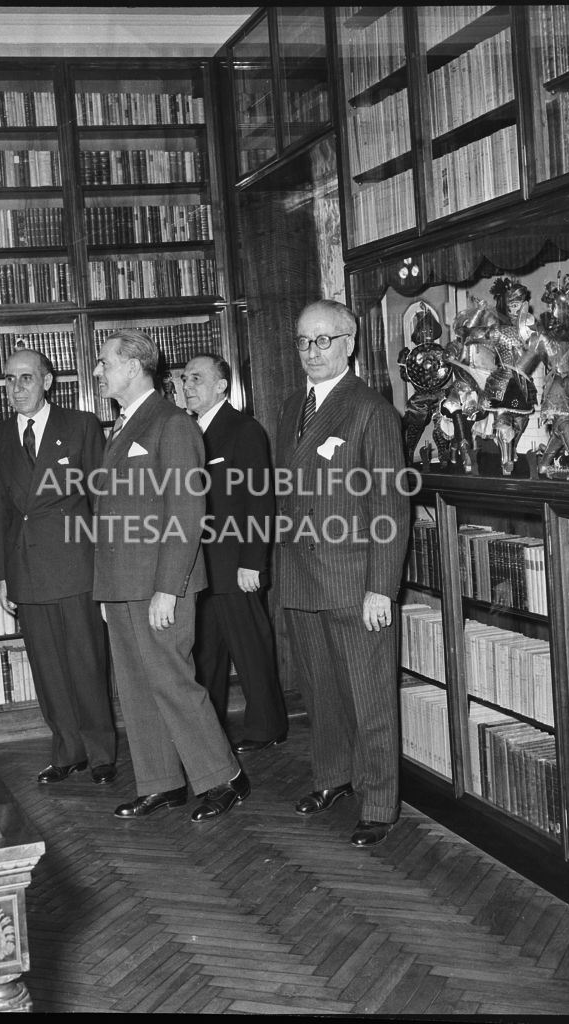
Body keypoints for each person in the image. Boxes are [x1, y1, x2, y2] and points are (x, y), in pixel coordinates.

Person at [91, 329, 249, 822]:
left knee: (174, 683)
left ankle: (225, 777)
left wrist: (168, 588)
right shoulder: (119, 427)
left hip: (161, 583)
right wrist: (107, 590)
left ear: (135, 366)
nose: (98, 372)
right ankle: (161, 782)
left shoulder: (172, 425)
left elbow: (185, 511)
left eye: (105, 363)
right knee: (137, 686)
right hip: (122, 583)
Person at [274, 299, 410, 848]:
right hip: (302, 576)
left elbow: (391, 508)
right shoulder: (291, 408)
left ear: (350, 343)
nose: (312, 352)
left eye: (323, 340)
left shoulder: (370, 410)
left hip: (355, 582)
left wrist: (382, 586)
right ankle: (333, 778)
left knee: (369, 696)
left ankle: (379, 803)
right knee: (321, 692)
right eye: (304, 341)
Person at [0, 347, 116, 786]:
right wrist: (1, 577)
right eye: (9, 379)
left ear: (47, 381)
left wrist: (107, 571)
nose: (16, 388)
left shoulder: (80, 426)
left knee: (86, 661)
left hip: (77, 564)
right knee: (47, 666)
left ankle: (100, 754)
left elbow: (104, 501)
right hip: (27, 570)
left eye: (25, 378)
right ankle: (67, 750)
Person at [181, 353, 287, 751]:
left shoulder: (243, 430)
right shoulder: (187, 431)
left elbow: (261, 501)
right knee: (205, 658)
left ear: (222, 385)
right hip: (199, 569)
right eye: (184, 379)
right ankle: (209, 736)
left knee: (250, 651)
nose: (187, 386)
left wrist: (252, 563)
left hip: (236, 566)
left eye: (197, 378)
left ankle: (268, 728)